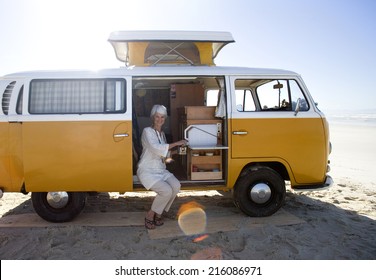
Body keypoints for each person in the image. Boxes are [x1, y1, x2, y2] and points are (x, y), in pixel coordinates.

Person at [137, 105, 187, 230]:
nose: (160, 119)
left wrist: (177, 152)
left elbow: (164, 156)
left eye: (162, 117)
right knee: (166, 191)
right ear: (153, 118)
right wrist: (176, 143)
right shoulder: (147, 131)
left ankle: (159, 212)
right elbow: (156, 148)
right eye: (157, 117)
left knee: (176, 186)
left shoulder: (162, 134)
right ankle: (150, 215)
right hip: (147, 170)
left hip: (160, 169)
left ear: (165, 119)